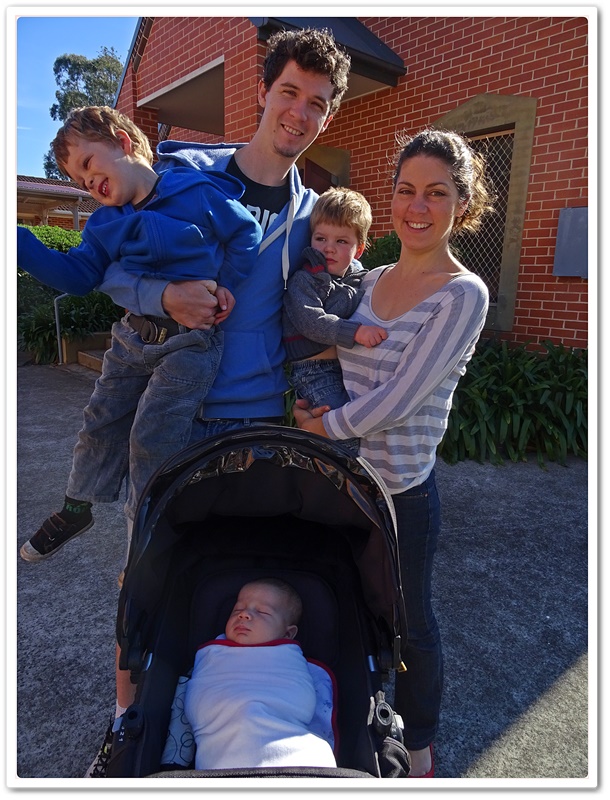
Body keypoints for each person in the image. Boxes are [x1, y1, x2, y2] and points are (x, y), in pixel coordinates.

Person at [85, 27, 351, 777]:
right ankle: (126, 722)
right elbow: (109, 266)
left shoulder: (312, 214)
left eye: (317, 103)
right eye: (289, 93)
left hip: (259, 420)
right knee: (144, 571)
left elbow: (326, 301)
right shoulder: (181, 173)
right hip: (175, 412)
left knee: (227, 572)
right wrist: (161, 295)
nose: (299, 113)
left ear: (327, 115)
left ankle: (222, 701)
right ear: (263, 92)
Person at [292, 128, 494, 777]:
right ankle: (352, 725)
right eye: (406, 190)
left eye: (436, 193)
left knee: (409, 623)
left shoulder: (463, 294)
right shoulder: (370, 278)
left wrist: (321, 428)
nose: (417, 206)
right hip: (341, 482)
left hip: (400, 493)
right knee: (343, 605)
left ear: (462, 204)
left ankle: (421, 745)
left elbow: (401, 400)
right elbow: (325, 346)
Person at [17, 106, 261, 563]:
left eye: (88, 164)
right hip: (131, 338)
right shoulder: (102, 225)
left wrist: (227, 283)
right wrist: (18, 242)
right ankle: (77, 506)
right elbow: (78, 277)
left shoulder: (194, 191)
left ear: (123, 142)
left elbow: (245, 233)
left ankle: (146, 535)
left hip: (190, 342)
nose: (88, 183)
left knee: (152, 435)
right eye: (80, 181)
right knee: (100, 417)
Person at [182, 578, 336, 769]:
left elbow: (299, 701)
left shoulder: (290, 662)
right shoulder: (214, 656)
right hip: (220, 756)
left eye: (262, 612)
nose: (244, 614)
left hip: (294, 752)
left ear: (288, 634)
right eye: (237, 609)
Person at [282, 187, 387, 453]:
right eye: (321, 238)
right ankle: (340, 475)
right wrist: (355, 332)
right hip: (314, 371)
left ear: (358, 249)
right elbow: (312, 321)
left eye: (341, 241)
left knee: (361, 426)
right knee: (340, 435)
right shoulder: (305, 280)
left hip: (348, 367)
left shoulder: (359, 278)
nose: (328, 248)